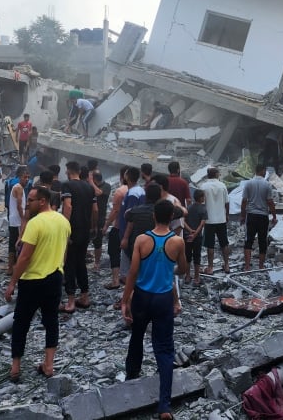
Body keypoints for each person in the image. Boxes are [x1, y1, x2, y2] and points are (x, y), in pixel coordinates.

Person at [121, 199, 187, 420]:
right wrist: (169, 267)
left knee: (137, 335)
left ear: (153, 216)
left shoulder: (142, 239)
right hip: (163, 299)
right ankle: (165, 405)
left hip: (141, 296)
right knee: (165, 348)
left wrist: (124, 299)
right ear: (171, 218)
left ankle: (131, 378)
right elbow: (183, 269)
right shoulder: (177, 242)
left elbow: (132, 272)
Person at [4, 186, 70, 382]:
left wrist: (12, 283)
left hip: (32, 280)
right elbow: (64, 251)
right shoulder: (63, 221)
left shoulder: (35, 223)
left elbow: (24, 257)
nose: (27, 204)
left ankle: (15, 367)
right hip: (55, 277)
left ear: (43, 201)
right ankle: (48, 365)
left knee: (21, 323)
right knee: (51, 322)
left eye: (31, 200)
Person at [60, 161, 98, 313]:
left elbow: (67, 206)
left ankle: (70, 301)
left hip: (72, 230)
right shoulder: (89, 187)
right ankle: (84, 296)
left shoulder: (67, 185)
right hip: (85, 230)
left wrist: (64, 228)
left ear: (69, 171)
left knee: (69, 262)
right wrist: (94, 227)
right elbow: (95, 209)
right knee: (81, 262)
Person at [241, 164, 277, 270]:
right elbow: (270, 202)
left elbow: (244, 201)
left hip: (251, 215)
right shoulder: (267, 184)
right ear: (262, 171)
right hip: (263, 216)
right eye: (265, 170)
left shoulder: (248, 183)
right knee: (262, 241)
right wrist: (274, 216)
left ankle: (247, 266)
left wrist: (243, 215)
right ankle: (261, 266)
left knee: (249, 240)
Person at [117, 167, 145, 285]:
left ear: (127, 177)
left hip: (131, 236)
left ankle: (130, 298)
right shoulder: (137, 191)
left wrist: (125, 238)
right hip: (133, 235)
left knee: (127, 273)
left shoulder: (134, 194)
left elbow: (131, 217)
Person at [199, 167, 230, 274]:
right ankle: (226, 265)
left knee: (210, 244)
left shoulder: (203, 186)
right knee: (224, 243)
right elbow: (227, 202)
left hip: (209, 220)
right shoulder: (222, 186)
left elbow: (201, 204)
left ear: (208, 175)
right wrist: (227, 215)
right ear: (216, 174)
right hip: (221, 219)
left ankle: (210, 267)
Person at [103, 166, 129, 289]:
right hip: (133, 228)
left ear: (123, 176)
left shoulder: (120, 191)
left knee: (114, 252)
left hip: (119, 227)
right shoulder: (140, 191)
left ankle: (115, 280)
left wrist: (106, 225)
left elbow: (115, 211)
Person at [7, 167, 29, 276]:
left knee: (14, 243)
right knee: (17, 243)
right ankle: (12, 268)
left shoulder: (19, 187)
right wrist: (24, 218)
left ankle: (12, 267)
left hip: (15, 220)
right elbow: (19, 206)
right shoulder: (19, 188)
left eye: (28, 177)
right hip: (17, 221)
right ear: (20, 177)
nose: (27, 179)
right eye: (25, 177)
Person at [183, 190, 207, 285]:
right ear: (201, 198)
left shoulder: (188, 208)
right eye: (203, 197)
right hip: (197, 237)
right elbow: (202, 224)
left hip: (187, 236)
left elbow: (183, 221)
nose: (204, 198)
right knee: (197, 256)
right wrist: (195, 234)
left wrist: (190, 231)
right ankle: (197, 277)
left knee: (187, 256)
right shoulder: (203, 209)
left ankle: (187, 276)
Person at [91, 171, 111, 272]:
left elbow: (98, 192)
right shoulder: (90, 186)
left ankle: (97, 263)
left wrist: (91, 182)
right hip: (88, 217)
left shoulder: (106, 186)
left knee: (97, 241)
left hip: (100, 218)